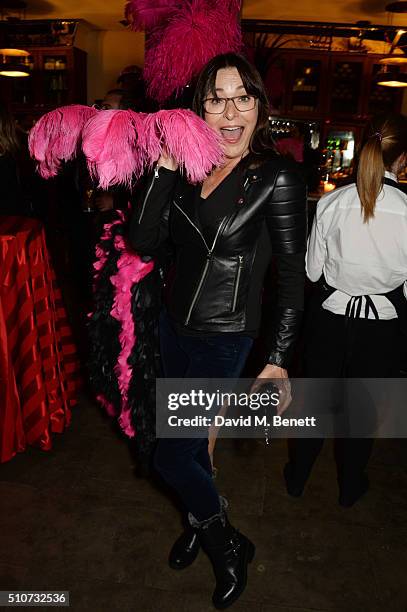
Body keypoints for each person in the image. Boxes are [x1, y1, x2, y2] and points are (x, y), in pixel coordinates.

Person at [129, 53, 307, 609]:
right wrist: (162, 164)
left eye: (242, 97)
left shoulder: (277, 176)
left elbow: (292, 277)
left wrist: (276, 359)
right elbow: (141, 239)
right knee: (194, 450)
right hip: (174, 329)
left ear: (258, 105)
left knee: (171, 455)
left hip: (225, 337)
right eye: (215, 98)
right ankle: (199, 519)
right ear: (198, 108)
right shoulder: (187, 169)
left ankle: (225, 542)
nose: (230, 112)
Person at [284, 113, 407, 508]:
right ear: (402, 160)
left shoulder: (332, 202)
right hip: (382, 326)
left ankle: (297, 477)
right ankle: (350, 485)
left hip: (330, 319)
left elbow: (312, 270)